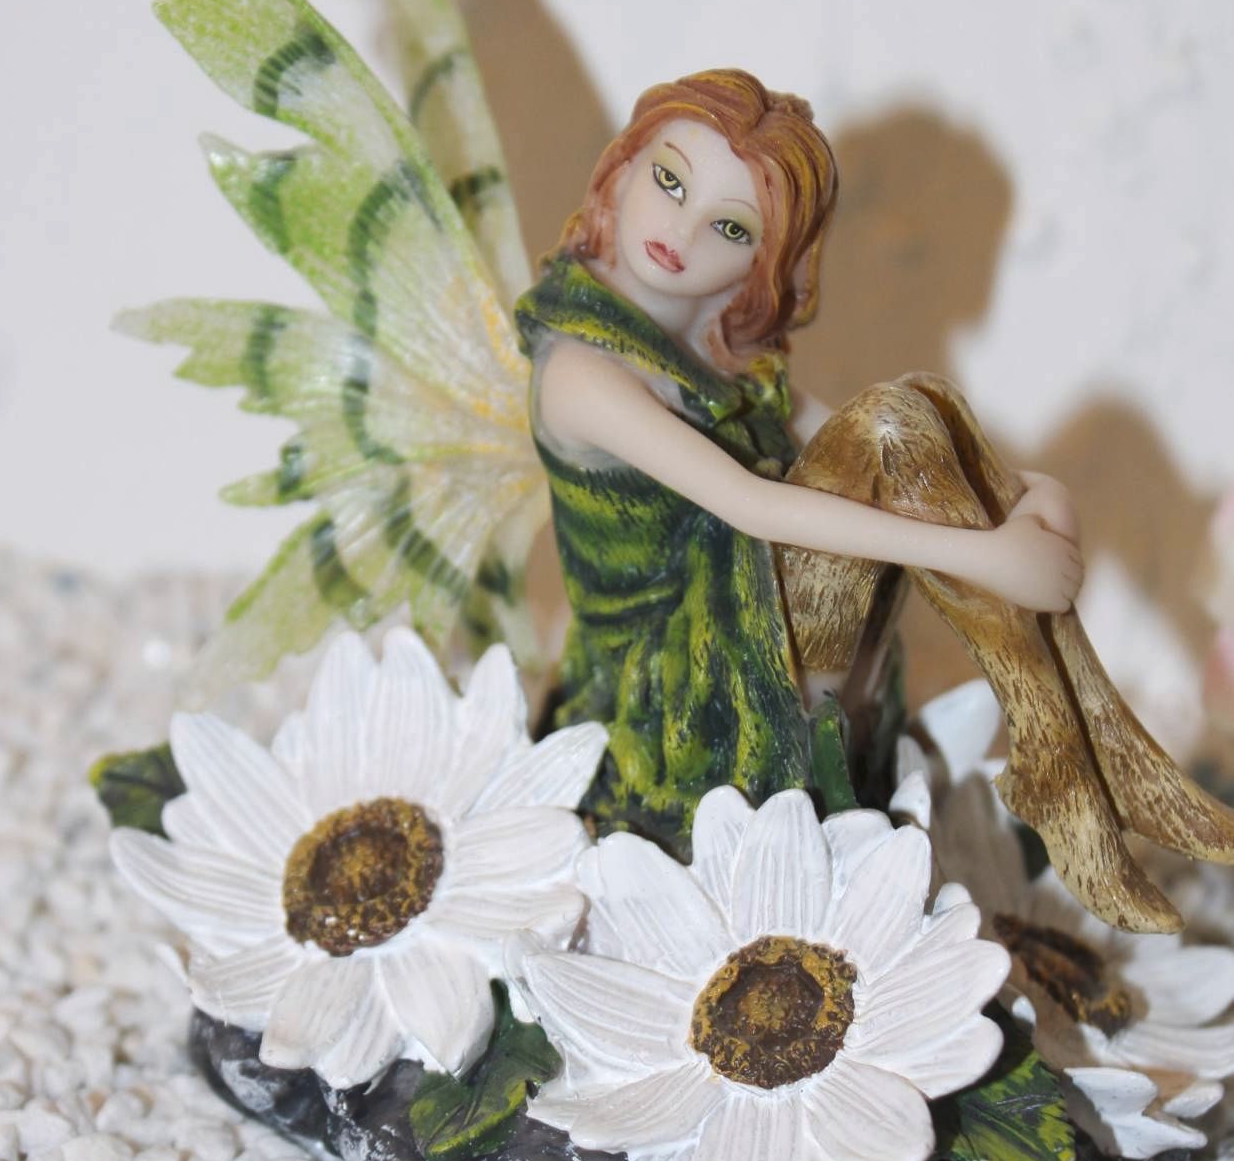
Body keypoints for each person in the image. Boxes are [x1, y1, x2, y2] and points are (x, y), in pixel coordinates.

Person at [516, 69, 1234, 934]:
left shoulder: (706, 351)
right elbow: (751, 505)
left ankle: (1078, 771)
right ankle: (1081, 775)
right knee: (898, 421)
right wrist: (986, 554)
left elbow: (839, 435)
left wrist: (1011, 493)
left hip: (757, 622)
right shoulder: (580, 371)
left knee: (912, 407)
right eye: (669, 180)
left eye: (730, 227)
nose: (680, 232)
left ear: (761, 259)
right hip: (687, 694)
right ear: (623, 166)